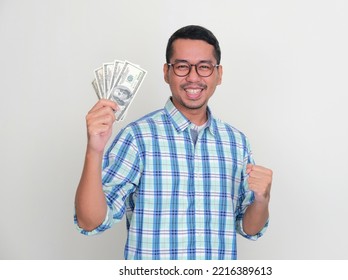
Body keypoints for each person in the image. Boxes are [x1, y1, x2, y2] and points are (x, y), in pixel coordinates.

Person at [74, 25, 273, 260]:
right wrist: (94, 151)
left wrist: (262, 200)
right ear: (166, 72)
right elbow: (90, 222)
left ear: (219, 74)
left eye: (204, 67)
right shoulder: (138, 138)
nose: (193, 77)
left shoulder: (237, 143)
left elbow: (250, 229)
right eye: (182, 66)